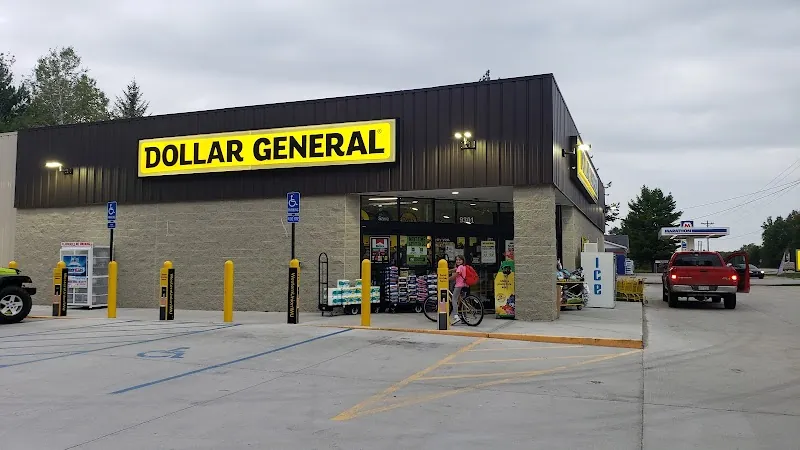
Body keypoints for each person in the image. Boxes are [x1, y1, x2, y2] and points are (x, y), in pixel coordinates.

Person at [449, 255, 469, 325]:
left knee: (454, 300)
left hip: (459, 286)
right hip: (465, 285)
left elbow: (455, 275)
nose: (458, 261)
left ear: (463, 261)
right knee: (463, 302)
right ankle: (465, 318)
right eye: (457, 260)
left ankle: (456, 316)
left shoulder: (460, 267)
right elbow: (454, 270)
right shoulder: (463, 267)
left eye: (459, 260)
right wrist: (446, 271)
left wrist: (446, 279)